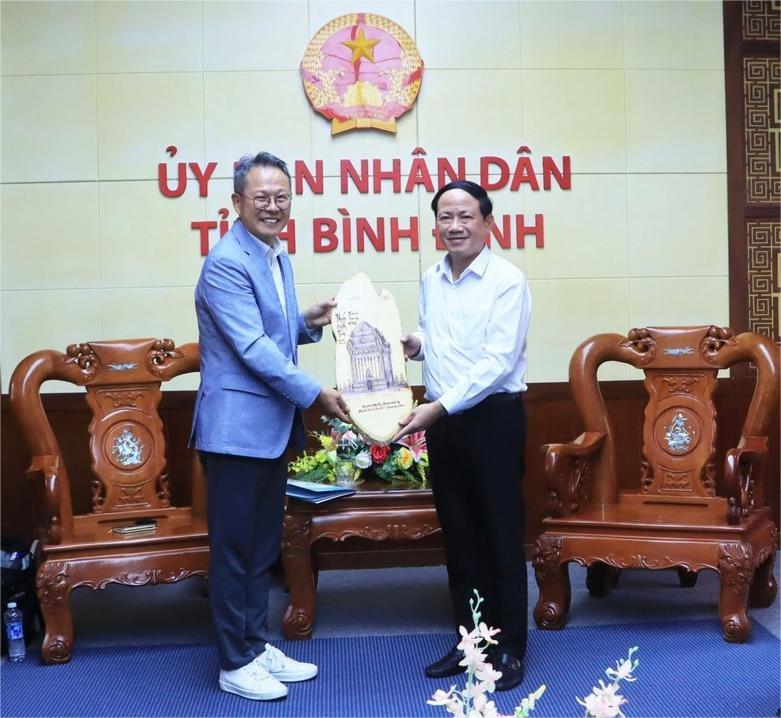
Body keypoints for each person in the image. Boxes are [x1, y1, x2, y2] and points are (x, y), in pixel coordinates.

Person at [190, 151, 350, 701]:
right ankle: (235, 662)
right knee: (234, 549)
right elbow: (253, 347)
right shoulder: (226, 262)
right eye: (261, 197)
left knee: (262, 548)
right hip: (235, 430)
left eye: (281, 197)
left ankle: (255, 645)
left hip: (270, 427)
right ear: (236, 202)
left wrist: (307, 321)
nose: (273, 206)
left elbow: (274, 330)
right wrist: (317, 395)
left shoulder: (274, 254)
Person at [393, 180, 532, 691]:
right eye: (445, 217)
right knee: (459, 536)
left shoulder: (507, 281)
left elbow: (496, 363)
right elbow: (438, 338)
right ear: (436, 226)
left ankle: (511, 647)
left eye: (465, 216)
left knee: (499, 533)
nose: (455, 225)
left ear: (488, 222)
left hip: (492, 418)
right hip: (444, 421)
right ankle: (470, 641)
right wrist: (414, 343)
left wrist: (438, 408)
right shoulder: (431, 277)